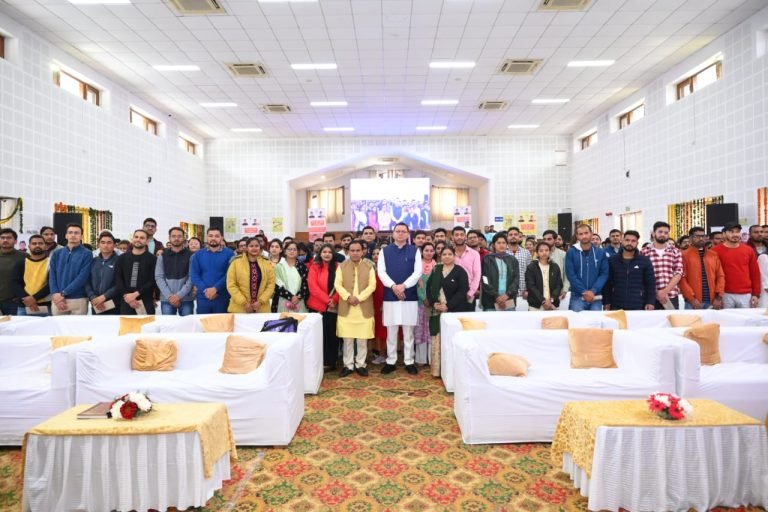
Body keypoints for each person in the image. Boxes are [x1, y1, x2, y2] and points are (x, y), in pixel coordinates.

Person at [377, 222, 422, 375]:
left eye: (403, 231)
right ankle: (391, 361)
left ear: (408, 234)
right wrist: (394, 286)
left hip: (409, 295)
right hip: (391, 295)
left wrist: (403, 286)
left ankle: (409, 361)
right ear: (393, 233)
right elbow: (381, 272)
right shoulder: (385, 251)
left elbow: (417, 272)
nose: (401, 233)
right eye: (398, 231)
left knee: (409, 331)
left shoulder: (415, 251)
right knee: (391, 330)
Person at [425, 245, 470, 377]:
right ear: (440, 256)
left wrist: (448, 306)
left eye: (450, 254)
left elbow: (462, 291)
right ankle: (437, 370)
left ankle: (452, 372)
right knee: (438, 340)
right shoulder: (436, 269)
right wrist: (434, 303)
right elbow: (428, 287)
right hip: (437, 311)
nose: (447, 256)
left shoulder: (460, 271)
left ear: (454, 256)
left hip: (453, 312)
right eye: (444, 254)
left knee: (451, 340)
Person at [335, 240, 376, 377]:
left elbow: (372, 286)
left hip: (363, 307)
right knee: (347, 340)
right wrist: (348, 297)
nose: (355, 253)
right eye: (352, 250)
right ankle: (348, 365)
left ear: (362, 251)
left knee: (362, 339)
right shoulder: (341, 266)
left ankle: (360, 364)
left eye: (358, 250)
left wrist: (359, 298)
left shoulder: (369, 266)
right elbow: (337, 285)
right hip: (346, 307)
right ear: (348, 252)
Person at [711, 222, 761, 308]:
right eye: (731, 232)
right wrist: (717, 295)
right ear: (724, 234)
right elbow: (712, 275)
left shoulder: (748, 250)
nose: (735, 234)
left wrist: (755, 294)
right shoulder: (715, 251)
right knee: (725, 317)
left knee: (746, 317)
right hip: (724, 294)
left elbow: (755, 273)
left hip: (745, 294)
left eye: (737, 232)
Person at [603, 230, 656, 311]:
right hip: (616, 304)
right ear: (622, 241)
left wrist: (650, 302)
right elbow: (607, 283)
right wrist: (607, 301)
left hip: (639, 304)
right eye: (627, 240)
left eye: (633, 241)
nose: (629, 243)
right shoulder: (612, 260)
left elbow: (651, 283)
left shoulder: (645, 261)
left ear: (637, 243)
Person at [307, 244, 341, 371]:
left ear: (333, 254)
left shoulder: (338, 267)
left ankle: (331, 361)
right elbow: (313, 287)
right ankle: (318, 361)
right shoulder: (314, 267)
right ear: (320, 254)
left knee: (332, 335)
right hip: (317, 307)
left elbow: (342, 286)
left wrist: (335, 299)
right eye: (324, 252)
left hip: (333, 307)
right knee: (319, 335)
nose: (327, 254)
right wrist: (328, 300)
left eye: (329, 252)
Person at [48, 224, 92, 315]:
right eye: (70, 232)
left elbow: (83, 277)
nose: (73, 235)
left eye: (76, 233)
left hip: (78, 298)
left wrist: (64, 293)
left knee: (77, 325)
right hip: (58, 299)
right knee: (58, 324)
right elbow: (52, 275)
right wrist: (55, 293)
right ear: (66, 235)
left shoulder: (87, 254)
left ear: (81, 236)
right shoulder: (57, 253)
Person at [640, 221, 684, 310]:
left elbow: (678, 272)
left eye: (666, 233)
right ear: (653, 233)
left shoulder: (675, 251)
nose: (663, 235)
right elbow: (641, 274)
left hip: (671, 295)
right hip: (650, 296)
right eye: (660, 232)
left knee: (672, 318)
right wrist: (656, 292)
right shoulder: (644, 251)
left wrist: (665, 291)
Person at [190, 228, 235, 313]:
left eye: (216, 236)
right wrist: (205, 290)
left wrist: (216, 288)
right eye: (210, 236)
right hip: (203, 296)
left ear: (221, 238)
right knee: (203, 321)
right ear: (206, 237)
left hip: (222, 296)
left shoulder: (230, 254)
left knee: (221, 321)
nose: (213, 238)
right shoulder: (198, 254)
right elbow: (194, 275)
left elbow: (230, 274)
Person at [679, 226, 725, 310]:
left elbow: (720, 276)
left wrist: (718, 297)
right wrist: (692, 299)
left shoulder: (713, 255)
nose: (701, 238)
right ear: (690, 238)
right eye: (697, 236)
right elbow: (682, 279)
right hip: (692, 302)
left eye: (703, 236)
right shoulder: (683, 255)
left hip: (713, 301)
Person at [566, 224, 609, 312]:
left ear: (591, 233)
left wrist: (593, 291)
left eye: (586, 233)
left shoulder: (600, 252)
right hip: (577, 296)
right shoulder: (571, 252)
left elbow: (604, 274)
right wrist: (583, 291)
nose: (584, 236)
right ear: (577, 236)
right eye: (581, 234)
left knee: (595, 320)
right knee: (577, 320)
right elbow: (571, 275)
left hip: (596, 296)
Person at [226, 237, 275, 314]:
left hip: (261, 308)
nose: (254, 248)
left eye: (256, 246)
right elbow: (231, 285)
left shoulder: (267, 263)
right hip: (239, 308)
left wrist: (260, 301)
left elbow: (270, 285)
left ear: (260, 247)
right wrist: (244, 303)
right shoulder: (235, 263)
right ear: (246, 248)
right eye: (251, 246)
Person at [114, 229, 157, 314]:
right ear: (132, 239)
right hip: (126, 301)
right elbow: (118, 278)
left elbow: (152, 281)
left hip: (145, 301)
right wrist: (126, 296)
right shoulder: (122, 258)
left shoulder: (153, 259)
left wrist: (135, 294)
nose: (138, 239)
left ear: (146, 241)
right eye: (136, 237)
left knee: (146, 323)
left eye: (142, 238)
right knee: (126, 323)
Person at [155, 227, 194, 316]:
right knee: (168, 324)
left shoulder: (191, 256)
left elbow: (192, 278)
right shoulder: (162, 256)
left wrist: (179, 296)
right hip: (167, 298)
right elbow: (159, 277)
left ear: (184, 238)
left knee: (187, 324)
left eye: (179, 236)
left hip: (186, 298)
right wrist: (169, 296)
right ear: (169, 238)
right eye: (173, 236)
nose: (176, 238)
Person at [12, 234, 50, 316]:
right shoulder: (21, 263)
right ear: (29, 246)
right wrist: (27, 298)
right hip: (24, 304)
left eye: (40, 243)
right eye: (34, 243)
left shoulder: (51, 263)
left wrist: (34, 298)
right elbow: (15, 283)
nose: (37, 245)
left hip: (45, 305)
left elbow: (51, 284)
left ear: (45, 246)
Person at [481, 233, 519, 311]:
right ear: (493, 245)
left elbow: (516, 279)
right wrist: (496, 296)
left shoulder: (513, 260)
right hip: (491, 300)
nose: (501, 245)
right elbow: (485, 280)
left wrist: (507, 295)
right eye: (498, 243)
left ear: (507, 244)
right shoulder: (487, 259)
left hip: (508, 299)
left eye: (503, 243)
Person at [85, 231, 120, 315]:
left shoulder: (120, 261)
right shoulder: (93, 261)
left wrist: (104, 296)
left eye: (109, 243)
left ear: (114, 245)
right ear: (98, 245)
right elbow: (86, 281)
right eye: (103, 242)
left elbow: (120, 283)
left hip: (114, 303)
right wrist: (92, 297)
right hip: (96, 303)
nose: (105, 245)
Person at [415, 242, 437, 365]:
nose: (429, 253)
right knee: (420, 329)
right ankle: (420, 359)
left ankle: (431, 359)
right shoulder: (416, 266)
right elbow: (415, 285)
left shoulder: (437, 267)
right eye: (426, 250)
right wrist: (423, 298)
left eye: (431, 250)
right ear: (421, 252)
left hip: (433, 304)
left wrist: (431, 300)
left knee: (431, 330)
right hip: (419, 303)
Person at [272, 241, 309, 314]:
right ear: (285, 251)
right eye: (289, 249)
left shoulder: (302, 266)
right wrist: (291, 297)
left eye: (294, 249)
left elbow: (305, 284)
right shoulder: (279, 266)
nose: (292, 251)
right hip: (282, 299)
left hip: (299, 300)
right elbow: (277, 285)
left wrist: (298, 297)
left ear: (298, 252)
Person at [525, 241, 563, 311]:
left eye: (546, 250)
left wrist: (551, 300)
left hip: (552, 304)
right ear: (537, 252)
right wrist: (543, 301)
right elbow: (531, 286)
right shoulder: (531, 267)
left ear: (550, 252)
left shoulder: (555, 266)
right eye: (541, 251)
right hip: (536, 305)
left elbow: (558, 285)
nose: (544, 253)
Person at [451, 226, 481, 309]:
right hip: (451, 293)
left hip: (469, 293)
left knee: (468, 316)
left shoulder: (474, 254)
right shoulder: (449, 253)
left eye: (462, 235)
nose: (459, 237)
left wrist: (471, 292)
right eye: (456, 235)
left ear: (465, 237)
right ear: (452, 237)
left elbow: (477, 275)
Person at [0, 228, 27, 315]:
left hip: (15, 302)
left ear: (15, 241)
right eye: (2, 238)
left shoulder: (25, 257)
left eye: (9, 238)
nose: (5, 240)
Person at [542, 230, 569, 303]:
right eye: (544, 239)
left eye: (549, 239)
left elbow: (567, 274)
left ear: (555, 240)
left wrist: (565, 289)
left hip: (558, 292)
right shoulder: (539, 255)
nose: (546, 241)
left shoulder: (563, 254)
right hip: (542, 292)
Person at [370, 246, 387, 365]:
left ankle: (383, 354)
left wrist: (384, 303)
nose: (376, 256)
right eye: (374, 254)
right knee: (375, 329)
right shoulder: (369, 269)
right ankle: (377, 352)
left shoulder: (387, 270)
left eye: (378, 253)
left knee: (383, 330)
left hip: (383, 303)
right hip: (372, 303)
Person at [506, 227, 531, 306]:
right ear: (507, 237)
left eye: (515, 234)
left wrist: (528, 290)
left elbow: (530, 273)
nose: (513, 236)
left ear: (519, 237)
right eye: (510, 235)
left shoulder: (526, 252)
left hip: (523, 294)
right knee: (508, 313)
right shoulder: (503, 252)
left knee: (522, 314)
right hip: (506, 294)